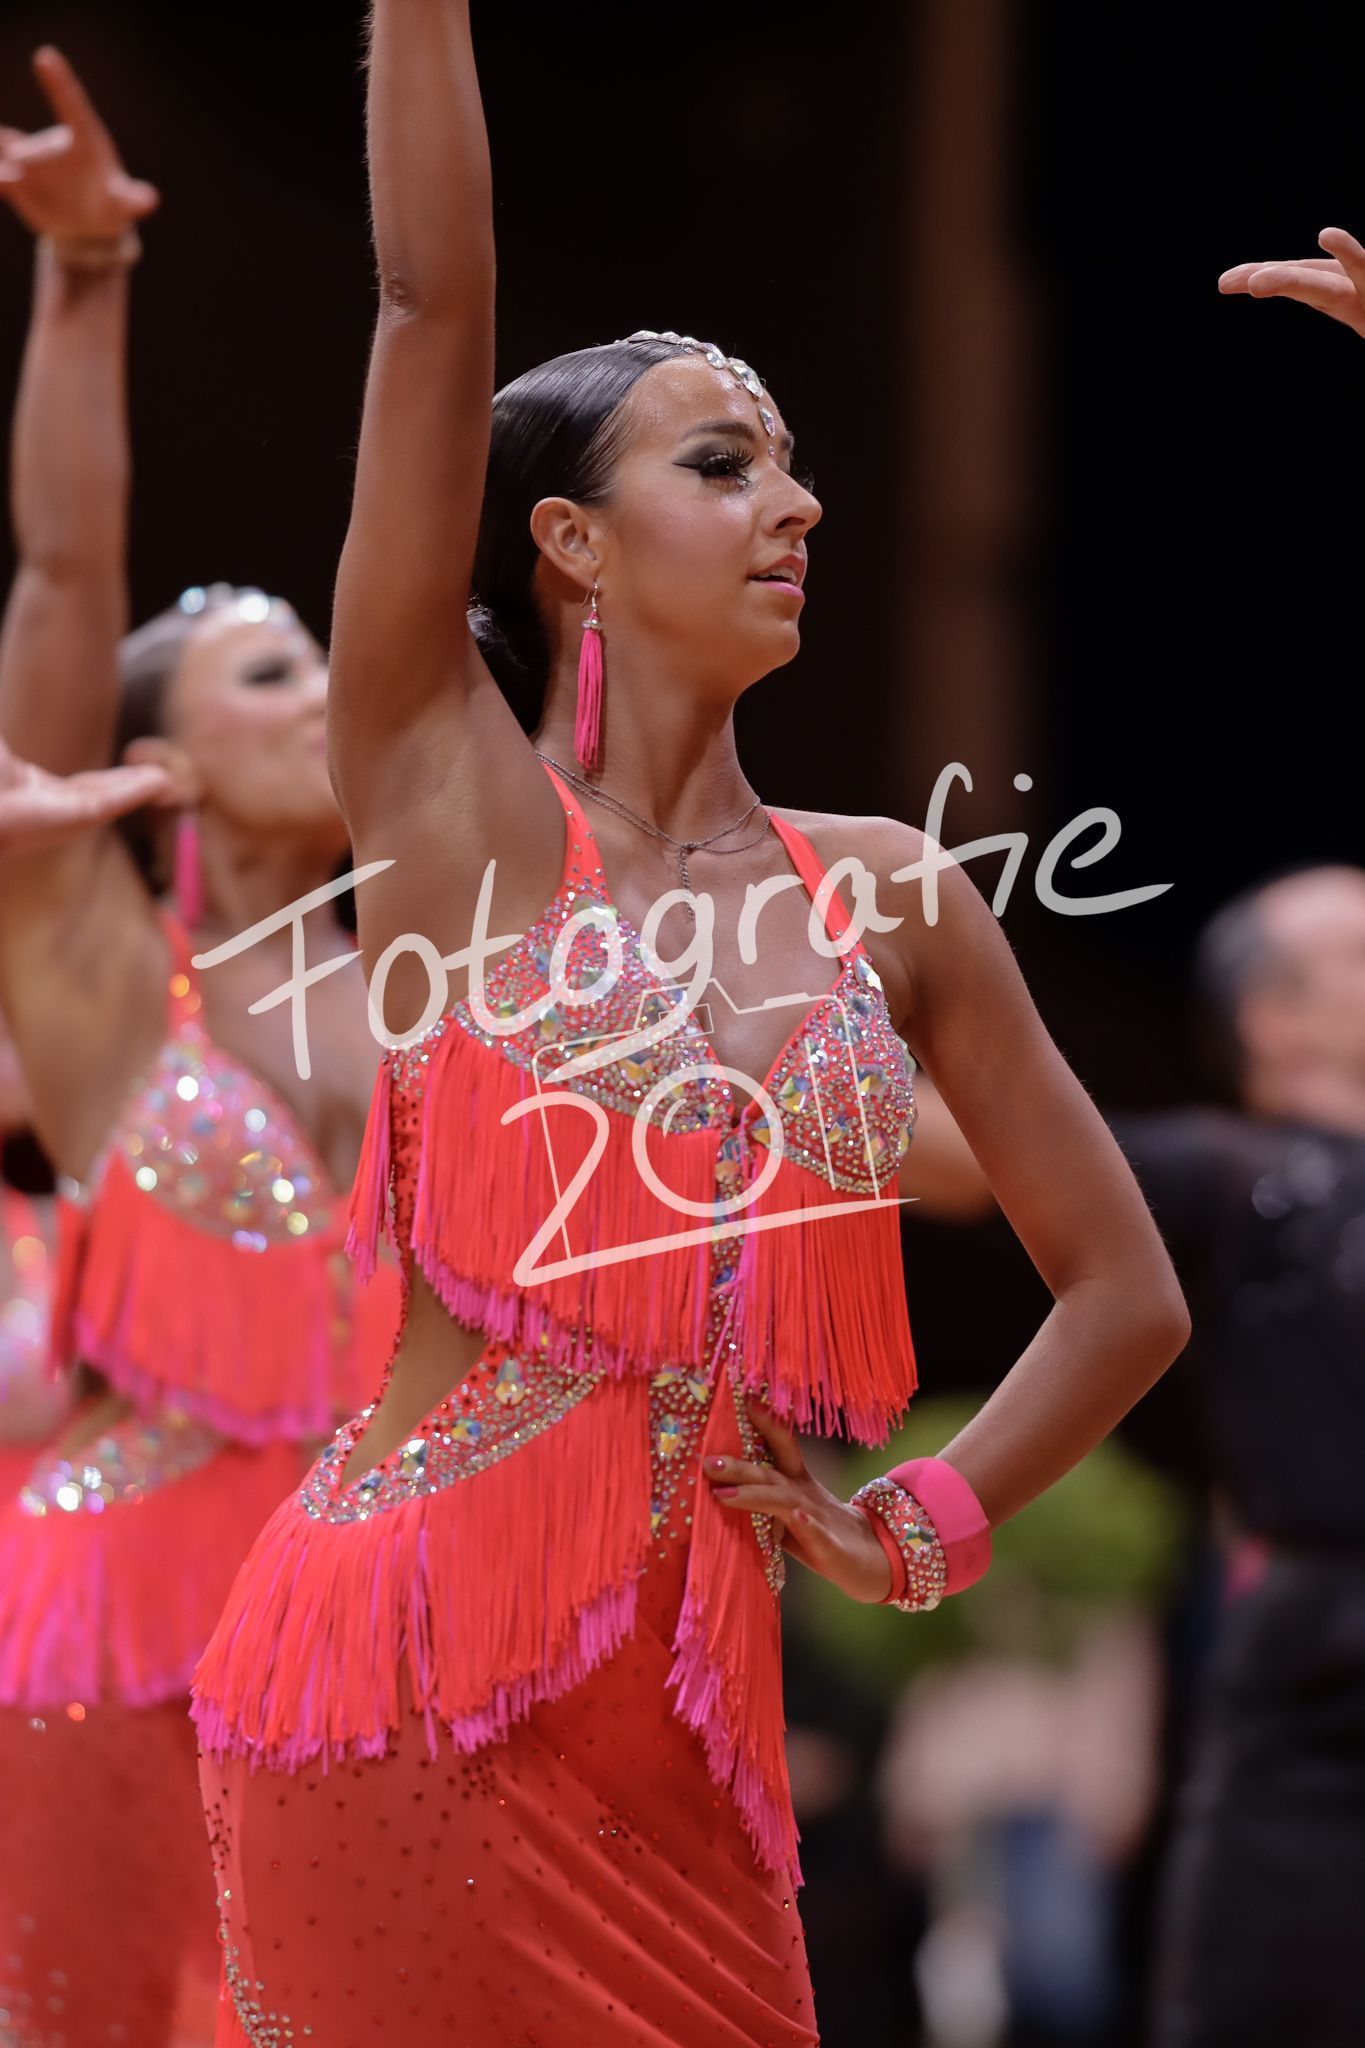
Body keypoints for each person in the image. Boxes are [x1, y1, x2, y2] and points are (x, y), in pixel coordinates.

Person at [192, 7, 1190, 2043]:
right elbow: (427, 302)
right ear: (566, 543)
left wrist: (917, 1530)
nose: (794, 504)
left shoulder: (890, 893)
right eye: (724, 466)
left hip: (690, 1730)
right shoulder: (454, 805)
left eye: (796, 468)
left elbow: (1123, 1295)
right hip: (399, 1678)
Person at [0, 51, 398, 2046]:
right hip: (116, 1628)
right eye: (269, 670)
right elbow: (67, 580)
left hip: (374, 1634)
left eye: (327, 658)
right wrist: (86, 277)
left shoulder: (436, 980)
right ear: (155, 758)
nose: (325, 692)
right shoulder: (89, 973)